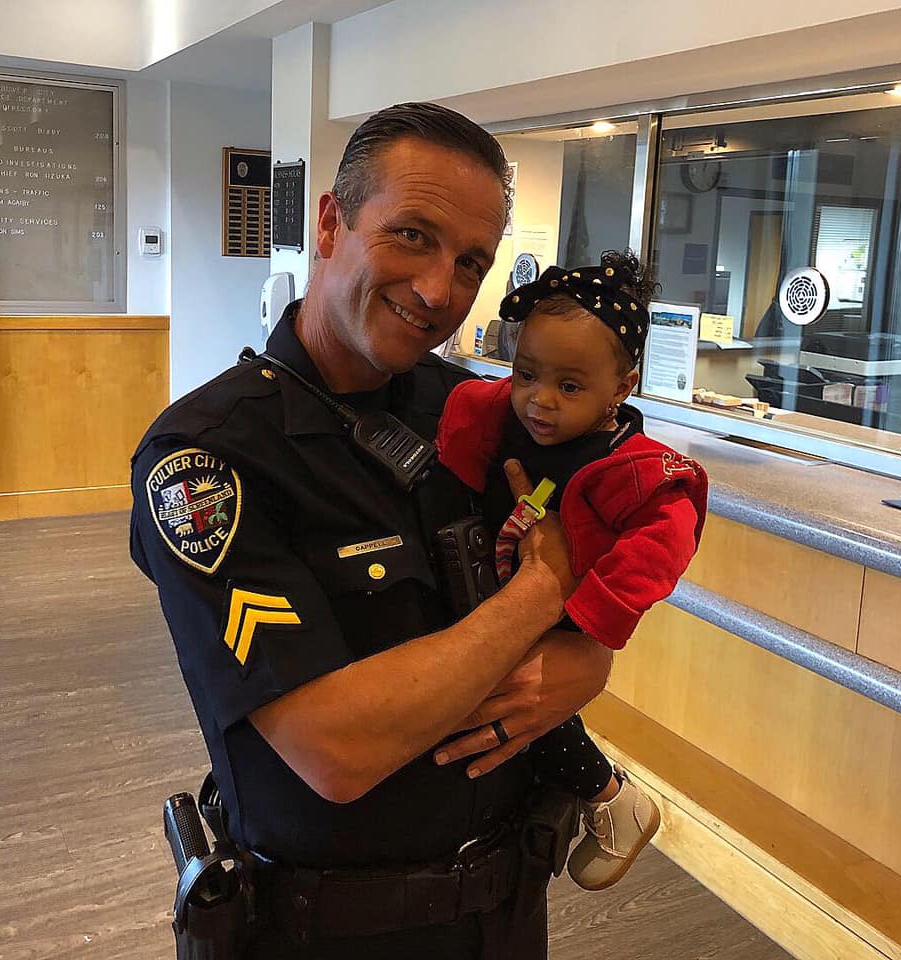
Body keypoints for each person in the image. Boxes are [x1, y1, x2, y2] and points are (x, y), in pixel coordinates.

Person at [129, 102, 614, 960]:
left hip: (507, 907)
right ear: (330, 221)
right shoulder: (208, 459)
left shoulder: (477, 413)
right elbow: (336, 747)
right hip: (323, 929)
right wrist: (537, 594)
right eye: (413, 236)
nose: (439, 291)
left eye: (470, 262)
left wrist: (579, 660)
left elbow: (593, 632)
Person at [435, 251, 708, 890]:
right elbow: (468, 410)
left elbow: (662, 542)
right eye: (527, 373)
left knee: (526, 713)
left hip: (560, 613)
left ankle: (611, 798)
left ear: (623, 388)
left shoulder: (630, 467)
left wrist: (594, 620)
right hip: (496, 586)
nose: (540, 401)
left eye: (571, 386)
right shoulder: (503, 413)